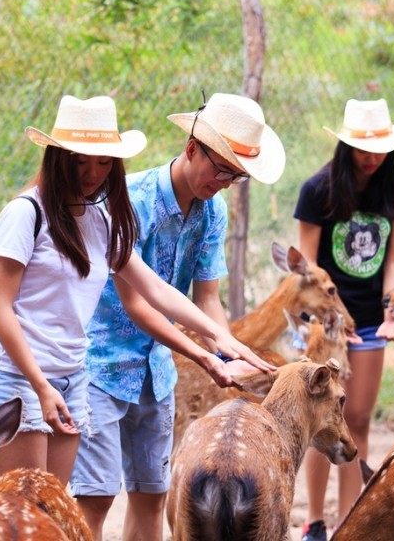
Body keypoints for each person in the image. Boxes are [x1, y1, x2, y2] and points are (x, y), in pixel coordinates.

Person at [0, 94, 272, 489]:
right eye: (80, 160)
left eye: (103, 161)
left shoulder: (100, 218)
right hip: (18, 376)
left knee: (51, 512)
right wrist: (41, 386)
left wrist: (222, 341)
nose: (92, 172)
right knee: (21, 511)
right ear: (57, 157)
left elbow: (156, 290)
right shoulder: (26, 213)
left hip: (69, 377)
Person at [71, 92, 286, 541]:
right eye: (221, 169)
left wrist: (227, 355)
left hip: (155, 371)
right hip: (101, 368)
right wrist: (206, 357)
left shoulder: (214, 212)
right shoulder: (134, 201)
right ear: (192, 148)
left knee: (152, 497)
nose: (225, 182)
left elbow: (208, 297)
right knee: (95, 500)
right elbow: (138, 303)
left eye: (237, 175)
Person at [294, 98, 394, 541]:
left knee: (358, 420)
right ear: (346, 146)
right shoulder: (318, 191)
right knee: (320, 422)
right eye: (364, 148)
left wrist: (392, 310)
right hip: (326, 324)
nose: (372, 157)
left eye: (380, 147)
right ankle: (314, 522)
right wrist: (316, 322)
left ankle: (348, 524)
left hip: (368, 322)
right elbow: (307, 266)